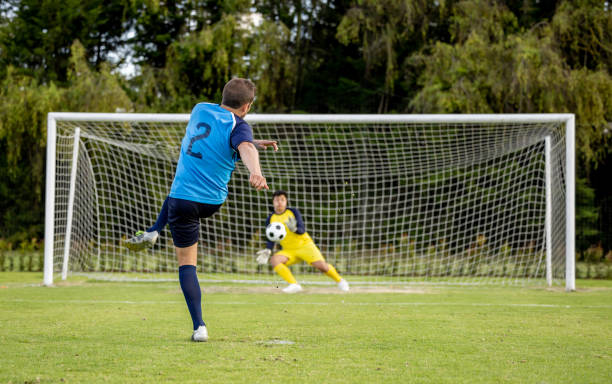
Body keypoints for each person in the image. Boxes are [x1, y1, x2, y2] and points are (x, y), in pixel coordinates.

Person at [127, 78, 277, 342]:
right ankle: (153, 231)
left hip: (183, 201)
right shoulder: (239, 126)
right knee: (175, 197)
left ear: (223, 96)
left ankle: (200, 327)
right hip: (212, 202)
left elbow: (241, 143)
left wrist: (253, 142)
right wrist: (256, 171)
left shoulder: (199, 109)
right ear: (247, 106)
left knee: (187, 264)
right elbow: (242, 145)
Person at [256, 190, 350, 293]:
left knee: (322, 267)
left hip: (305, 246)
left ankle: (340, 281)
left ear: (286, 201)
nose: (279, 202)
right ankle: (294, 284)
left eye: (282, 200)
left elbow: (302, 230)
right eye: (277, 200)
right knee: (274, 260)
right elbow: (271, 237)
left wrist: (295, 229)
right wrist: (268, 249)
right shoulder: (270, 218)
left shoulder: (293, 212)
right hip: (289, 250)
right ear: (273, 202)